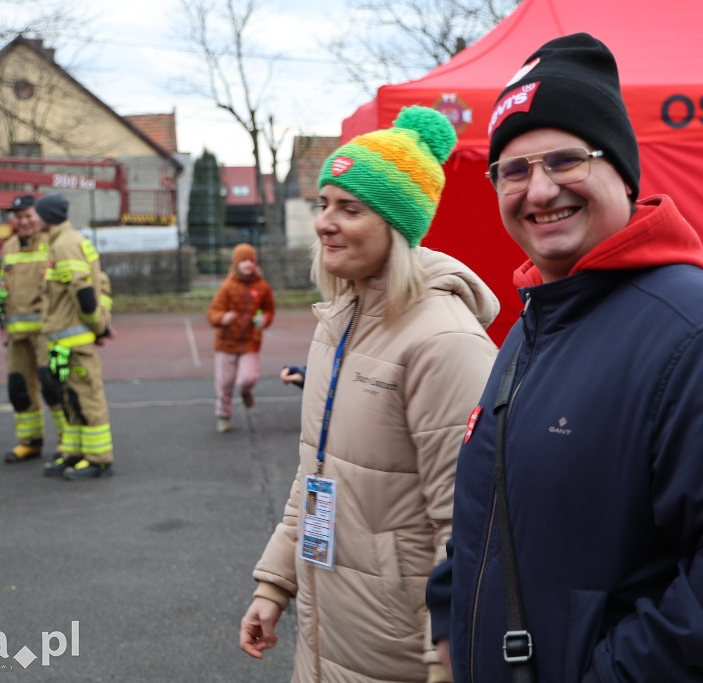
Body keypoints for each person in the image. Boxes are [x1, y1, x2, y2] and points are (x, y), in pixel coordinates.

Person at [427, 34, 703, 682]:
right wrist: (449, 623)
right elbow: (499, 511)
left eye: (565, 160)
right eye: (514, 168)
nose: (538, 190)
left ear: (621, 170)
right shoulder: (533, 327)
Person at [238, 106, 500, 682]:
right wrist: (275, 584)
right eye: (324, 204)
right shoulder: (340, 320)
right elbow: (317, 474)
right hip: (328, 622)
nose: (326, 222)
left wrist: (448, 656)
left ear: (398, 226)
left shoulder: (445, 341)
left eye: (349, 209)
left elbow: (471, 524)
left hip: (402, 646)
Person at [36, 193, 114, 480]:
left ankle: (98, 459)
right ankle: (75, 453)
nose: (33, 218)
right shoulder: (60, 241)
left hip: (74, 344)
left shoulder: (65, 245)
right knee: (71, 400)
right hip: (62, 344)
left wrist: (98, 326)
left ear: (47, 216)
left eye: (36, 214)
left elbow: (82, 292)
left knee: (88, 400)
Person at [0, 195, 68, 464]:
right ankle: (29, 442)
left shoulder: (52, 242)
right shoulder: (10, 246)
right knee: (18, 388)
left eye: (29, 215)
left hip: (50, 331)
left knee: (53, 384)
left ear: (39, 216)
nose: (24, 221)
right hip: (17, 332)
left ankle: (69, 440)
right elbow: (4, 283)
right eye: (18, 216)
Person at [206, 242, 275, 433]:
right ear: (236, 264)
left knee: (248, 379)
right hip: (226, 344)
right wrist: (223, 317)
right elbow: (213, 313)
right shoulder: (227, 287)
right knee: (224, 384)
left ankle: (245, 392)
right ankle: (223, 416)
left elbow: (270, 310)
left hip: (250, 343)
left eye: (251, 260)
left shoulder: (262, 287)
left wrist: (265, 319)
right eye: (244, 261)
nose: (248, 264)